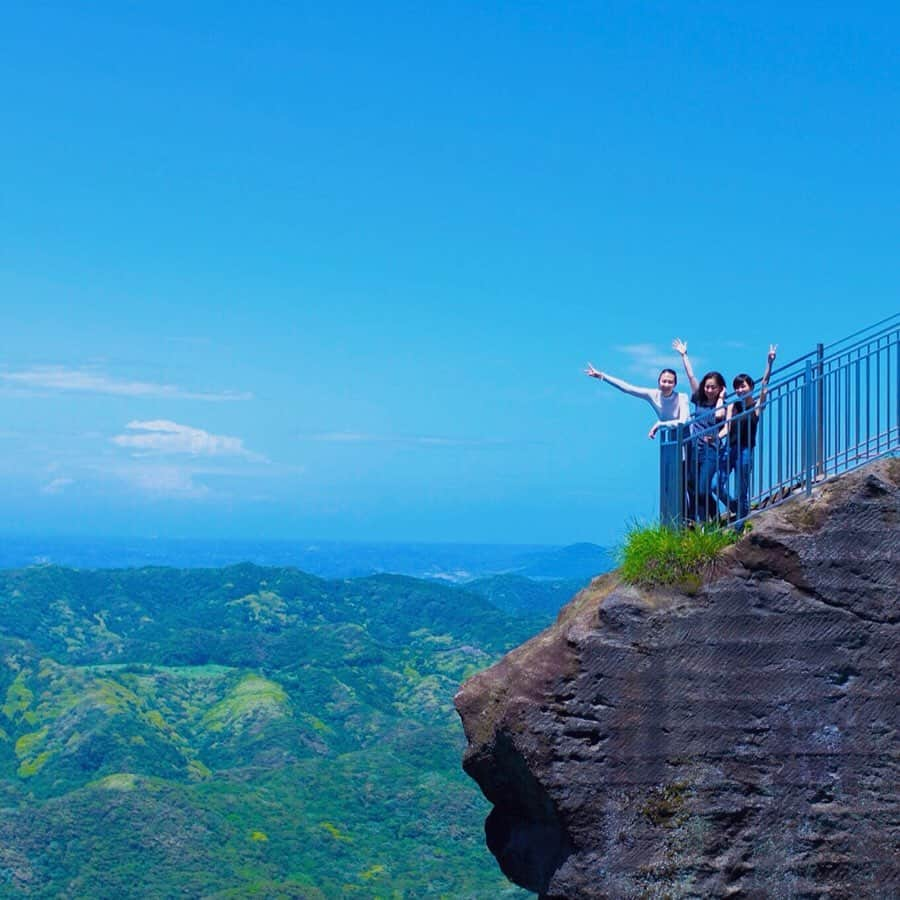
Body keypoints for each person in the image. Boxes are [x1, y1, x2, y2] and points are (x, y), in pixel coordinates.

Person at [672, 339, 727, 523]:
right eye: (707, 386)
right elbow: (691, 376)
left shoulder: (724, 405)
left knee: (704, 488)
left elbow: (720, 417)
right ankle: (706, 523)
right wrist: (684, 355)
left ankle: (713, 520)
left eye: (713, 387)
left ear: (720, 388)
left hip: (712, 450)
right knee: (693, 487)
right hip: (695, 449)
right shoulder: (699, 400)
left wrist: (721, 398)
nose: (709, 389)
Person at [725, 344, 777, 521]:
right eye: (737, 387)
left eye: (743, 386)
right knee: (715, 483)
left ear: (750, 387)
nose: (739, 390)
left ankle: (740, 525)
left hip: (745, 450)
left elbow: (764, 385)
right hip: (729, 448)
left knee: (741, 489)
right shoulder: (733, 405)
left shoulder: (755, 406)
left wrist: (769, 363)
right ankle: (736, 508)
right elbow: (727, 427)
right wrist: (715, 438)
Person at [584, 363, 689, 438]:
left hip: (688, 437)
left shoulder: (682, 397)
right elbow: (627, 388)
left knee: (688, 466)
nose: (666, 384)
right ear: (658, 382)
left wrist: (659, 424)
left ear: (675, 384)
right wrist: (602, 376)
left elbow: (683, 422)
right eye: (664, 381)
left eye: (670, 382)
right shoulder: (652, 394)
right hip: (671, 439)